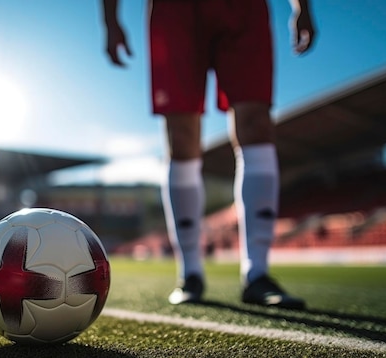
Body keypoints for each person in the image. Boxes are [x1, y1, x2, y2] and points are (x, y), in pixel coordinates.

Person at [100, 0, 316, 308]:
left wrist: (301, 5)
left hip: (244, 9)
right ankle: (190, 273)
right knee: (182, 135)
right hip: (176, 11)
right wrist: (110, 19)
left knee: (256, 124)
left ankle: (257, 273)